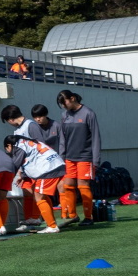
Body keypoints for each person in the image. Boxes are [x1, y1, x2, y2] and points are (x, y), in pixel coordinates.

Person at [3, 133, 63, 233]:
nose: (9, 152)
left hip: (48, 169)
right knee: (43, 196)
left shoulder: (19, 147)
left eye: (7, 150)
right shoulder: (27, 142)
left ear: (9, 145)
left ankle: (52, 226)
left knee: (38, 197)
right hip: (56, 165)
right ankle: (51, 223)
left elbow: (15, 165)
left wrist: (5, 182)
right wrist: (23, 175)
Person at [57, 90, 101, 225]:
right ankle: (72, 215)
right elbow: (63, 138)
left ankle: (88, 217)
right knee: (68, 186)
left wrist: (96, 160)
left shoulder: (88, 113)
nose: (64, 106)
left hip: (85, 157)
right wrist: (61, 157)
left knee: (83, 187)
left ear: (72, 98)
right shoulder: (65, 115)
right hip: (69, 157)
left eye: (64, 102)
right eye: (61, 104)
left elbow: (96, 138)